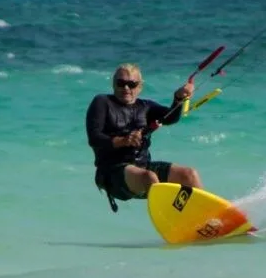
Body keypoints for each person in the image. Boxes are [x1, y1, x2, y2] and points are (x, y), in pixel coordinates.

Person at [85, 63, 203, 211]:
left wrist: (178, 99)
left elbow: (170, 118)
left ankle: (202, 215)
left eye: (131, 84)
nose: (126, 88)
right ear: (114, 84)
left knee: (189, 175)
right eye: (121, 83)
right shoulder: (102, 102)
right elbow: (94, 138)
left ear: (140, 87)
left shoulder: (146, 106)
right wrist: (124, 140)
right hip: (112, 172)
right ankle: (170, 219)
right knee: (150, 177)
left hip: (142, 166)